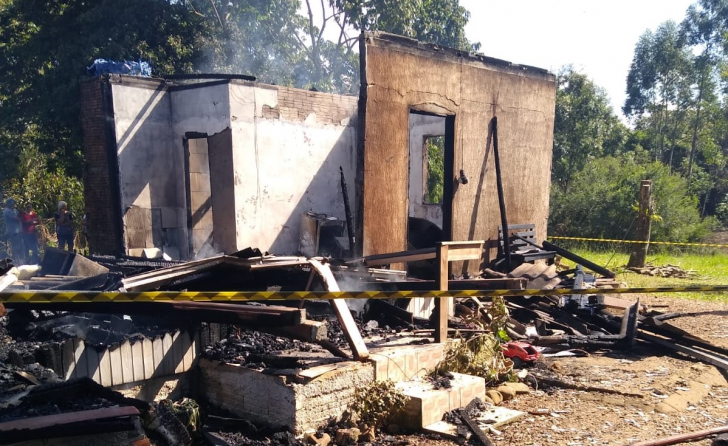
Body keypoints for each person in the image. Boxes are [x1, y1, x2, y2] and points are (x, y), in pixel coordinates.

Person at [2, 198, 25, 263]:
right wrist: (24, 220)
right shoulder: (7, 211)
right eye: (12, 203)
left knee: (21, 246)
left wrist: (20, 212)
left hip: (18, 231)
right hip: (13, 231)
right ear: (9, 204)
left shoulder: (14, 210)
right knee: (16, 247)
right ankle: (16, 260)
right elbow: (16, 218)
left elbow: (19, 215)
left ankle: (20, 259)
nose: (13, 205)